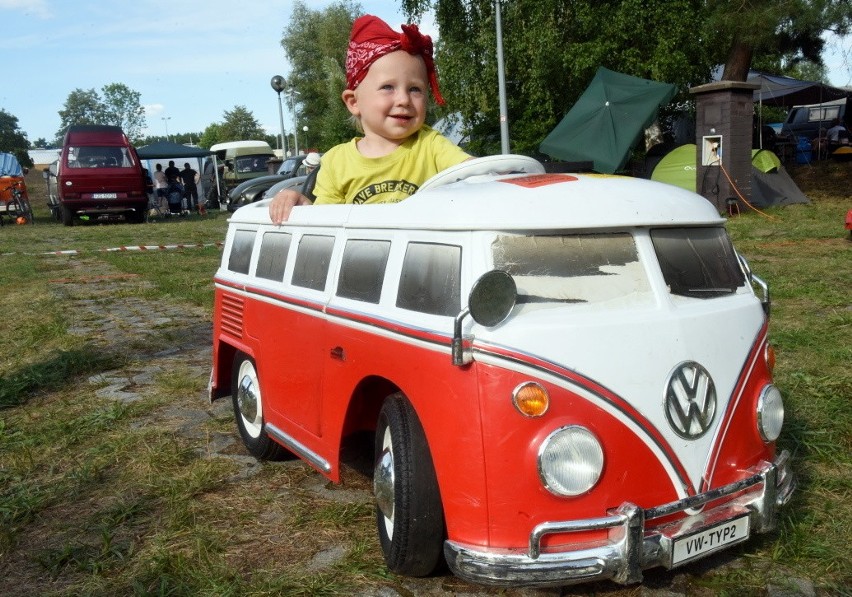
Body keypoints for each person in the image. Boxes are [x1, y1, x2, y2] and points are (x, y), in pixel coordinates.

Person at [269, 14, 469, 224]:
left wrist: (501, 176)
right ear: (354, 102)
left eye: (415, 89)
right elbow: (325, 224)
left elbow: (475, 173)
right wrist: (301, 205)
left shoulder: (431, 146)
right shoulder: (337, 163)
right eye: (388, 87)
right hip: (361, 256)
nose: (404, 99)